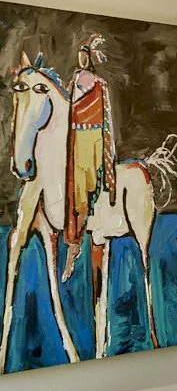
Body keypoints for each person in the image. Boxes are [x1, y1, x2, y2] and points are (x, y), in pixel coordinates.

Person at [62, 34, 116, 282]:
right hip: (76, 141)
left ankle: (90, 235)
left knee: (90, 188)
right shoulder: (72, 84)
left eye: (86, 55)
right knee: (75, 193)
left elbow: (107, 122)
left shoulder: (100, 86)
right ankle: (73, 244)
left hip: (93, 141)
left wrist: (107, 152)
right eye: (80, 55)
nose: (82, 59)